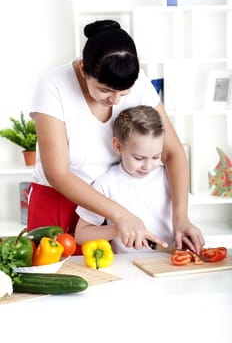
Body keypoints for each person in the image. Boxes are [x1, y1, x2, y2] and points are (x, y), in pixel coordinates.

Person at [27, 19, 204, 254]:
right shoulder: (53, 85)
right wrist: (120, 215)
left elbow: (172, 151)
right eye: (105, 90)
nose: (116, 100)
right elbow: (57, 173)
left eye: (124, 93)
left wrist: (181, 216)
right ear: (83, 69)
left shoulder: (136, 79)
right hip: (60, 202)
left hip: (112, 209)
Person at [75, 105, 174, 253]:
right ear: (118, 146)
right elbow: (81, 235)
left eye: (155, 157)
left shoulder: (169, 176)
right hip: (128, 267)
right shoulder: (105, 184)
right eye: (139, 158)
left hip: (170, 262)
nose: (148, 166)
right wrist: (117, 229)